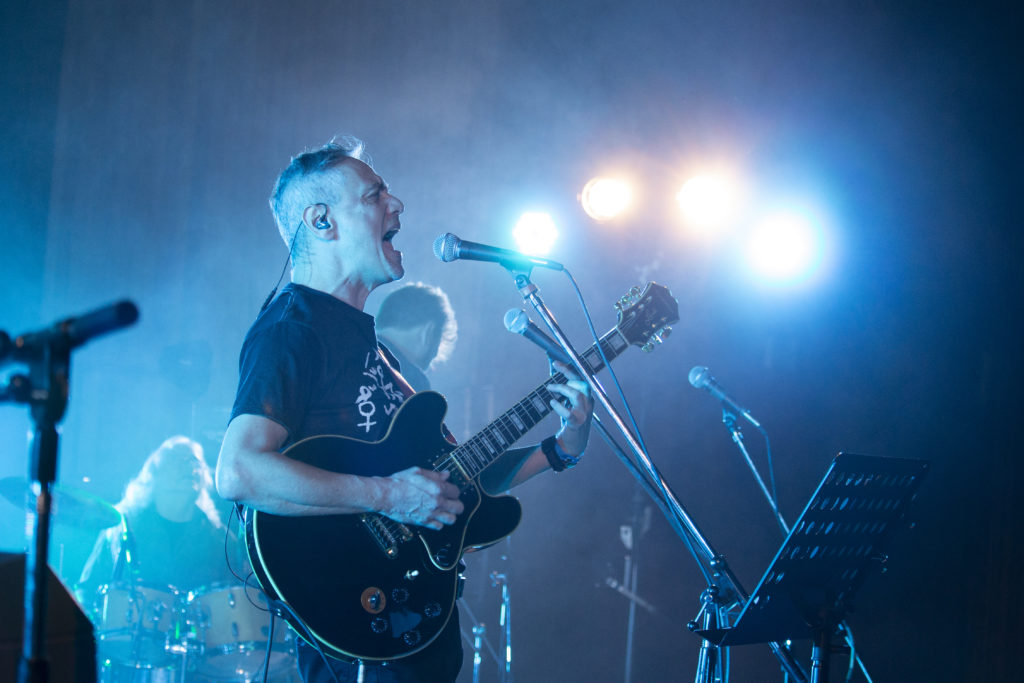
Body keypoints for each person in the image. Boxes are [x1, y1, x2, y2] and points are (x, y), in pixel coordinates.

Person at [215, 136, 593, 683]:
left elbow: (455, 478)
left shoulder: (378, 350)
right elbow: (239, 470)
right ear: (322, 221)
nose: (397, 207)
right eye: (374, 196)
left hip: (415, 617)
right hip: (353, 618)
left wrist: (563, 445)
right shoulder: (291, 330)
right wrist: (390, 496)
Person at [78, 436, 241, 678]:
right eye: (176, 459)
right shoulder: (123, 527)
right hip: (128, 657)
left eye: (194, 461)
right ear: (153, 475)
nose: (189, 466)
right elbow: (87, 589)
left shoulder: (221, 538)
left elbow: (236, 603)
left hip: (197, 665)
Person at [375, 282, 457, 392]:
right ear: (428, 332)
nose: (428, 368)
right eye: (432, 356)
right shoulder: (413, 380)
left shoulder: (354, 348)